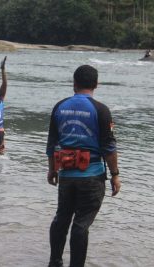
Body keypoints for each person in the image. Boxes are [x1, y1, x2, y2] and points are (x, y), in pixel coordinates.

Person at [46, 65, 121, 267]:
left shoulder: (60, 107)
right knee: (81, 224)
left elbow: (52, 143)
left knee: (62, 217)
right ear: (96, 84)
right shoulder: (101, 110)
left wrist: (52, 169)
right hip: (92, 176)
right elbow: (109, 147)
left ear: (74, 83)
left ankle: (54, 262)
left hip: (67, 175)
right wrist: (115, 174)